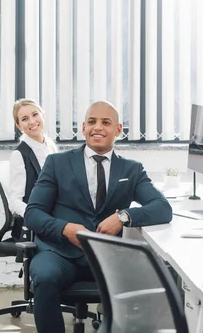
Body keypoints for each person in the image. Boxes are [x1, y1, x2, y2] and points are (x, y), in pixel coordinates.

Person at [24, 101, 173, 333]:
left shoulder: (131, 170)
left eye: (106, 122)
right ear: (83, 128)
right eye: (92, 122)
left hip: (108, 257)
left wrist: (123, 216)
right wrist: (65, 229)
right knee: (44, 276)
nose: (97, 128)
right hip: (60, 253)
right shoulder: (57, 163)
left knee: (152, 279)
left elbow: (162, 208)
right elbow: (32, 213)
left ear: (118, 129)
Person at [7, 99, 58, 240]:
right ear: (19, 126)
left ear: (43, 115)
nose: (32, 121)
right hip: (35, 225)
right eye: (24, 119)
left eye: (35, 114)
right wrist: (35, 215)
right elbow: (14, 201)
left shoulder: (49, 145)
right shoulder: (19, 155)